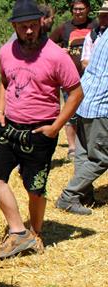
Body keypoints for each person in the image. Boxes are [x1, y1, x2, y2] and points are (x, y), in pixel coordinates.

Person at [0, 0, 84, 259]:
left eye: (33, 25)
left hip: (40, 131)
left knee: (35, 187)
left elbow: (76, 93)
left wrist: (56, 127)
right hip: (7, 126)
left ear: (41, 24)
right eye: (23, 27)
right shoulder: (5, 51)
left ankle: (35, 233)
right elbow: (3, 81)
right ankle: (18, 231)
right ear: (15, 27)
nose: (30, 31)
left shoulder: (57, 56)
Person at [55, 32, 108, 215]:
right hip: (101, 104)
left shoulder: (105, 34)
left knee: (84, 152)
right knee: (102, 157)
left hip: (85, 98)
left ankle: (84, 196)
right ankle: (69, 196)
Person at [50, 0, 97, 160]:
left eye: (81, 9)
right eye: (75, 9)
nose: (78, 12)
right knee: (71, 113)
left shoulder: (95, 25)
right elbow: (48, 43)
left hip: (92, 78)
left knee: (91, 112)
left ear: (88, 9)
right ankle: (72, 147)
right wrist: (59, 49)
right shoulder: (64, 28)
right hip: (69, 78)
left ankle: (89, 145)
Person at [81, 1, 108, 69]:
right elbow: (84, 63)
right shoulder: (92, 36)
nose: (102, 19)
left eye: (105, 16)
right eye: (100, 16)